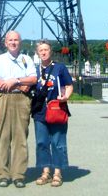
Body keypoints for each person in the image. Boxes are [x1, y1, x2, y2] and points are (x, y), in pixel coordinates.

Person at [0, 30, 37, 188]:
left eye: (16, 40)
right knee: (3, 137)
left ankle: (18, 175)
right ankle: (3, 174)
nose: (13, 42)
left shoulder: (26, 59)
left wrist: (15, 80)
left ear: (20, 42)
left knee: (20, 138)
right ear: (5, 43)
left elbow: (33, 78)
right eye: (10, 40)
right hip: (4, 98)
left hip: (21, 100)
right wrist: (17, 83)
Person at [31, 40, 73, 188]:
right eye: (41, 50)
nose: (43, 52)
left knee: (57, 142)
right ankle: (45, 172)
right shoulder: (34, 70)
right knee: (41, 142)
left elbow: (68, 85)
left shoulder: (59, 68)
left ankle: (57, 173)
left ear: (51, 51)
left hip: (56, 110)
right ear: (37, 53)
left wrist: (66, 97)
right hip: (40, 112)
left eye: (46, 49)